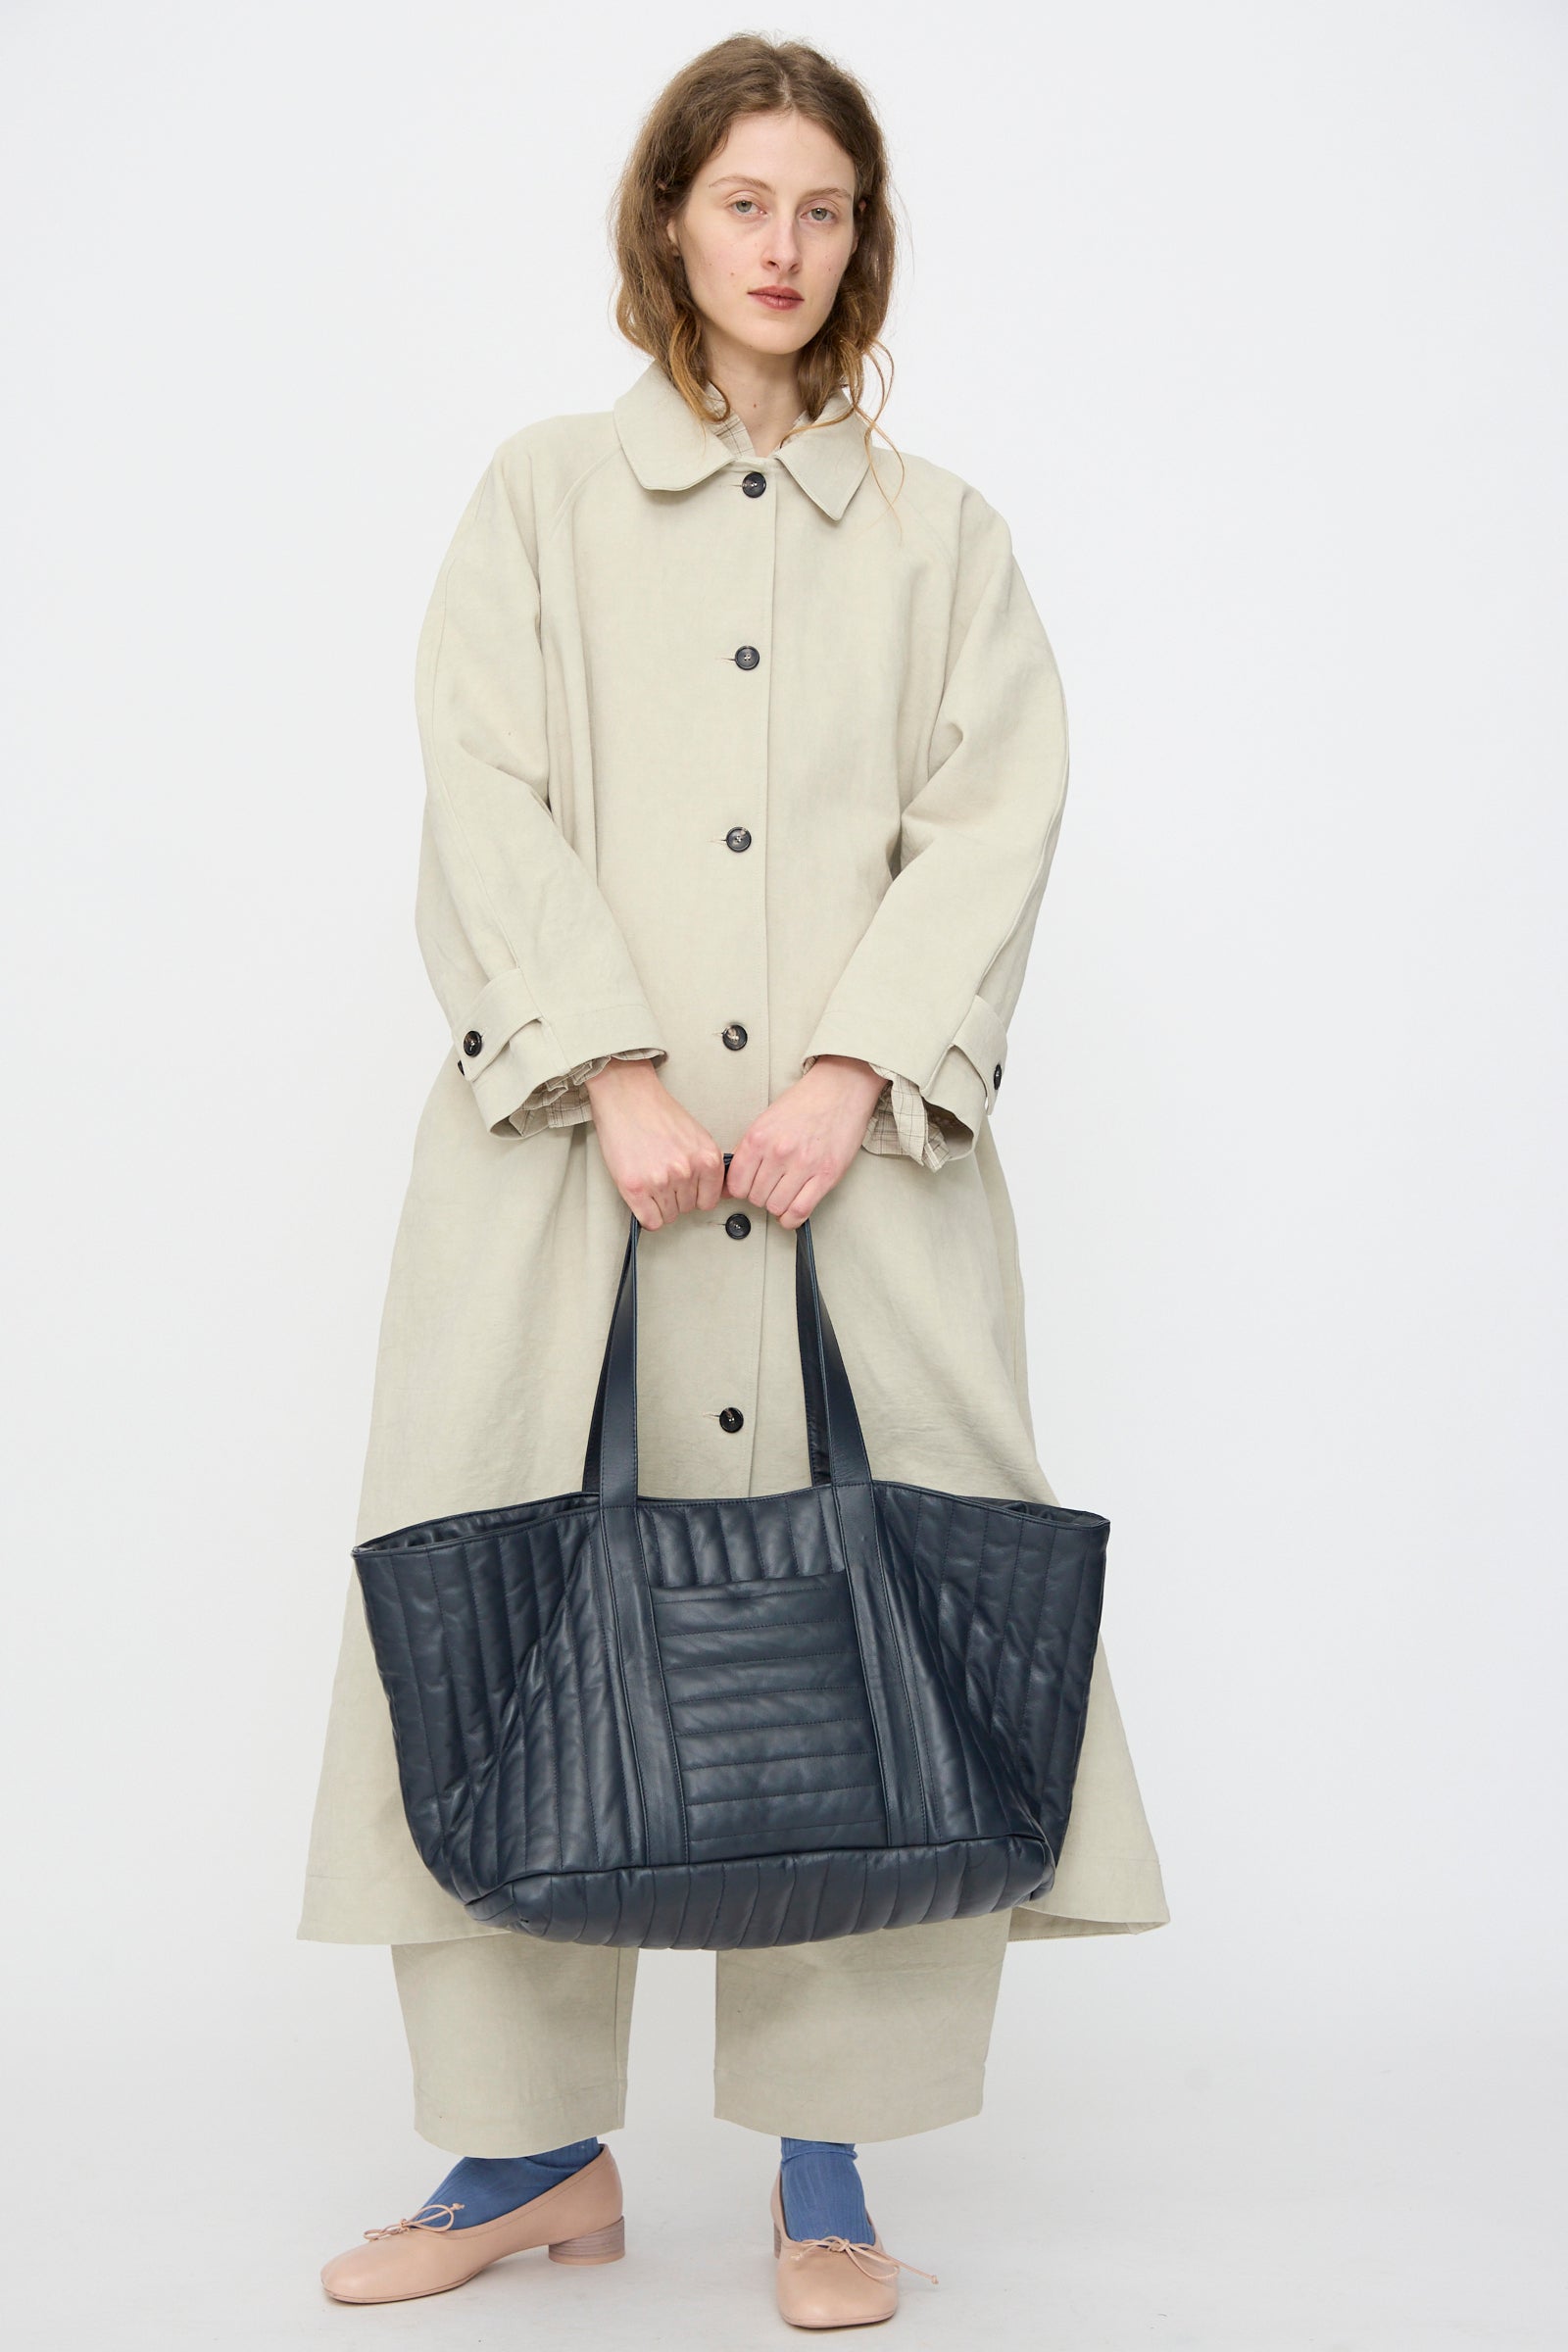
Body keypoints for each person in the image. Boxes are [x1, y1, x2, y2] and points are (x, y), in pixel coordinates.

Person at [300, 31, 1170, 2331]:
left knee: (868, 1623)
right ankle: (520, 2154)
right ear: (665, 223)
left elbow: (994, 819)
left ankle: (823, 2167)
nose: (782, 249)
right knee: (488, 1612)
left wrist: (846, 1072)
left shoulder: (940, 538)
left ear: (854, 242)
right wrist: (606, 1070)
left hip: (849, 1189)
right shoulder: (541, 502)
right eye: (742, 203)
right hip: (556, 1185)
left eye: (823, 210)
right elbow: (480, 788)